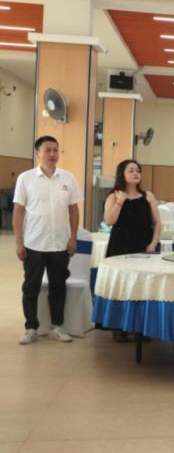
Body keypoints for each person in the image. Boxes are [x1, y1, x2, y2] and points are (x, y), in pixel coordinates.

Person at [13, 136, 82, 345]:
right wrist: (19, 242)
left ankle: (57, 327)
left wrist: (73, 238)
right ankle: (31, 328)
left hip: (60, 244)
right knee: (30, 287)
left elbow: (73, 210)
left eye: (55, 150)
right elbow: (18, 211)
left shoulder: (68, 178)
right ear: (38, 154)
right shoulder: (26, 178)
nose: (52, 154)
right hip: (34, 243)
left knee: (58, 287)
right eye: (48, 150)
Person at [101, 159, 161, 342]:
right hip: (120, 245)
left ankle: (140, 327)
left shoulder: (148, 196)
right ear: (122, 174)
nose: (136, 173)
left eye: (138, 170)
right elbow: (109, 221)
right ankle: (119, 325)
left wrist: (153, 244)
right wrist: (120, 202)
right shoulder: (114, 196)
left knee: (142, 286)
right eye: (131, 170)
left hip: (143, 245)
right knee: (121, 285)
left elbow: (157, 222)